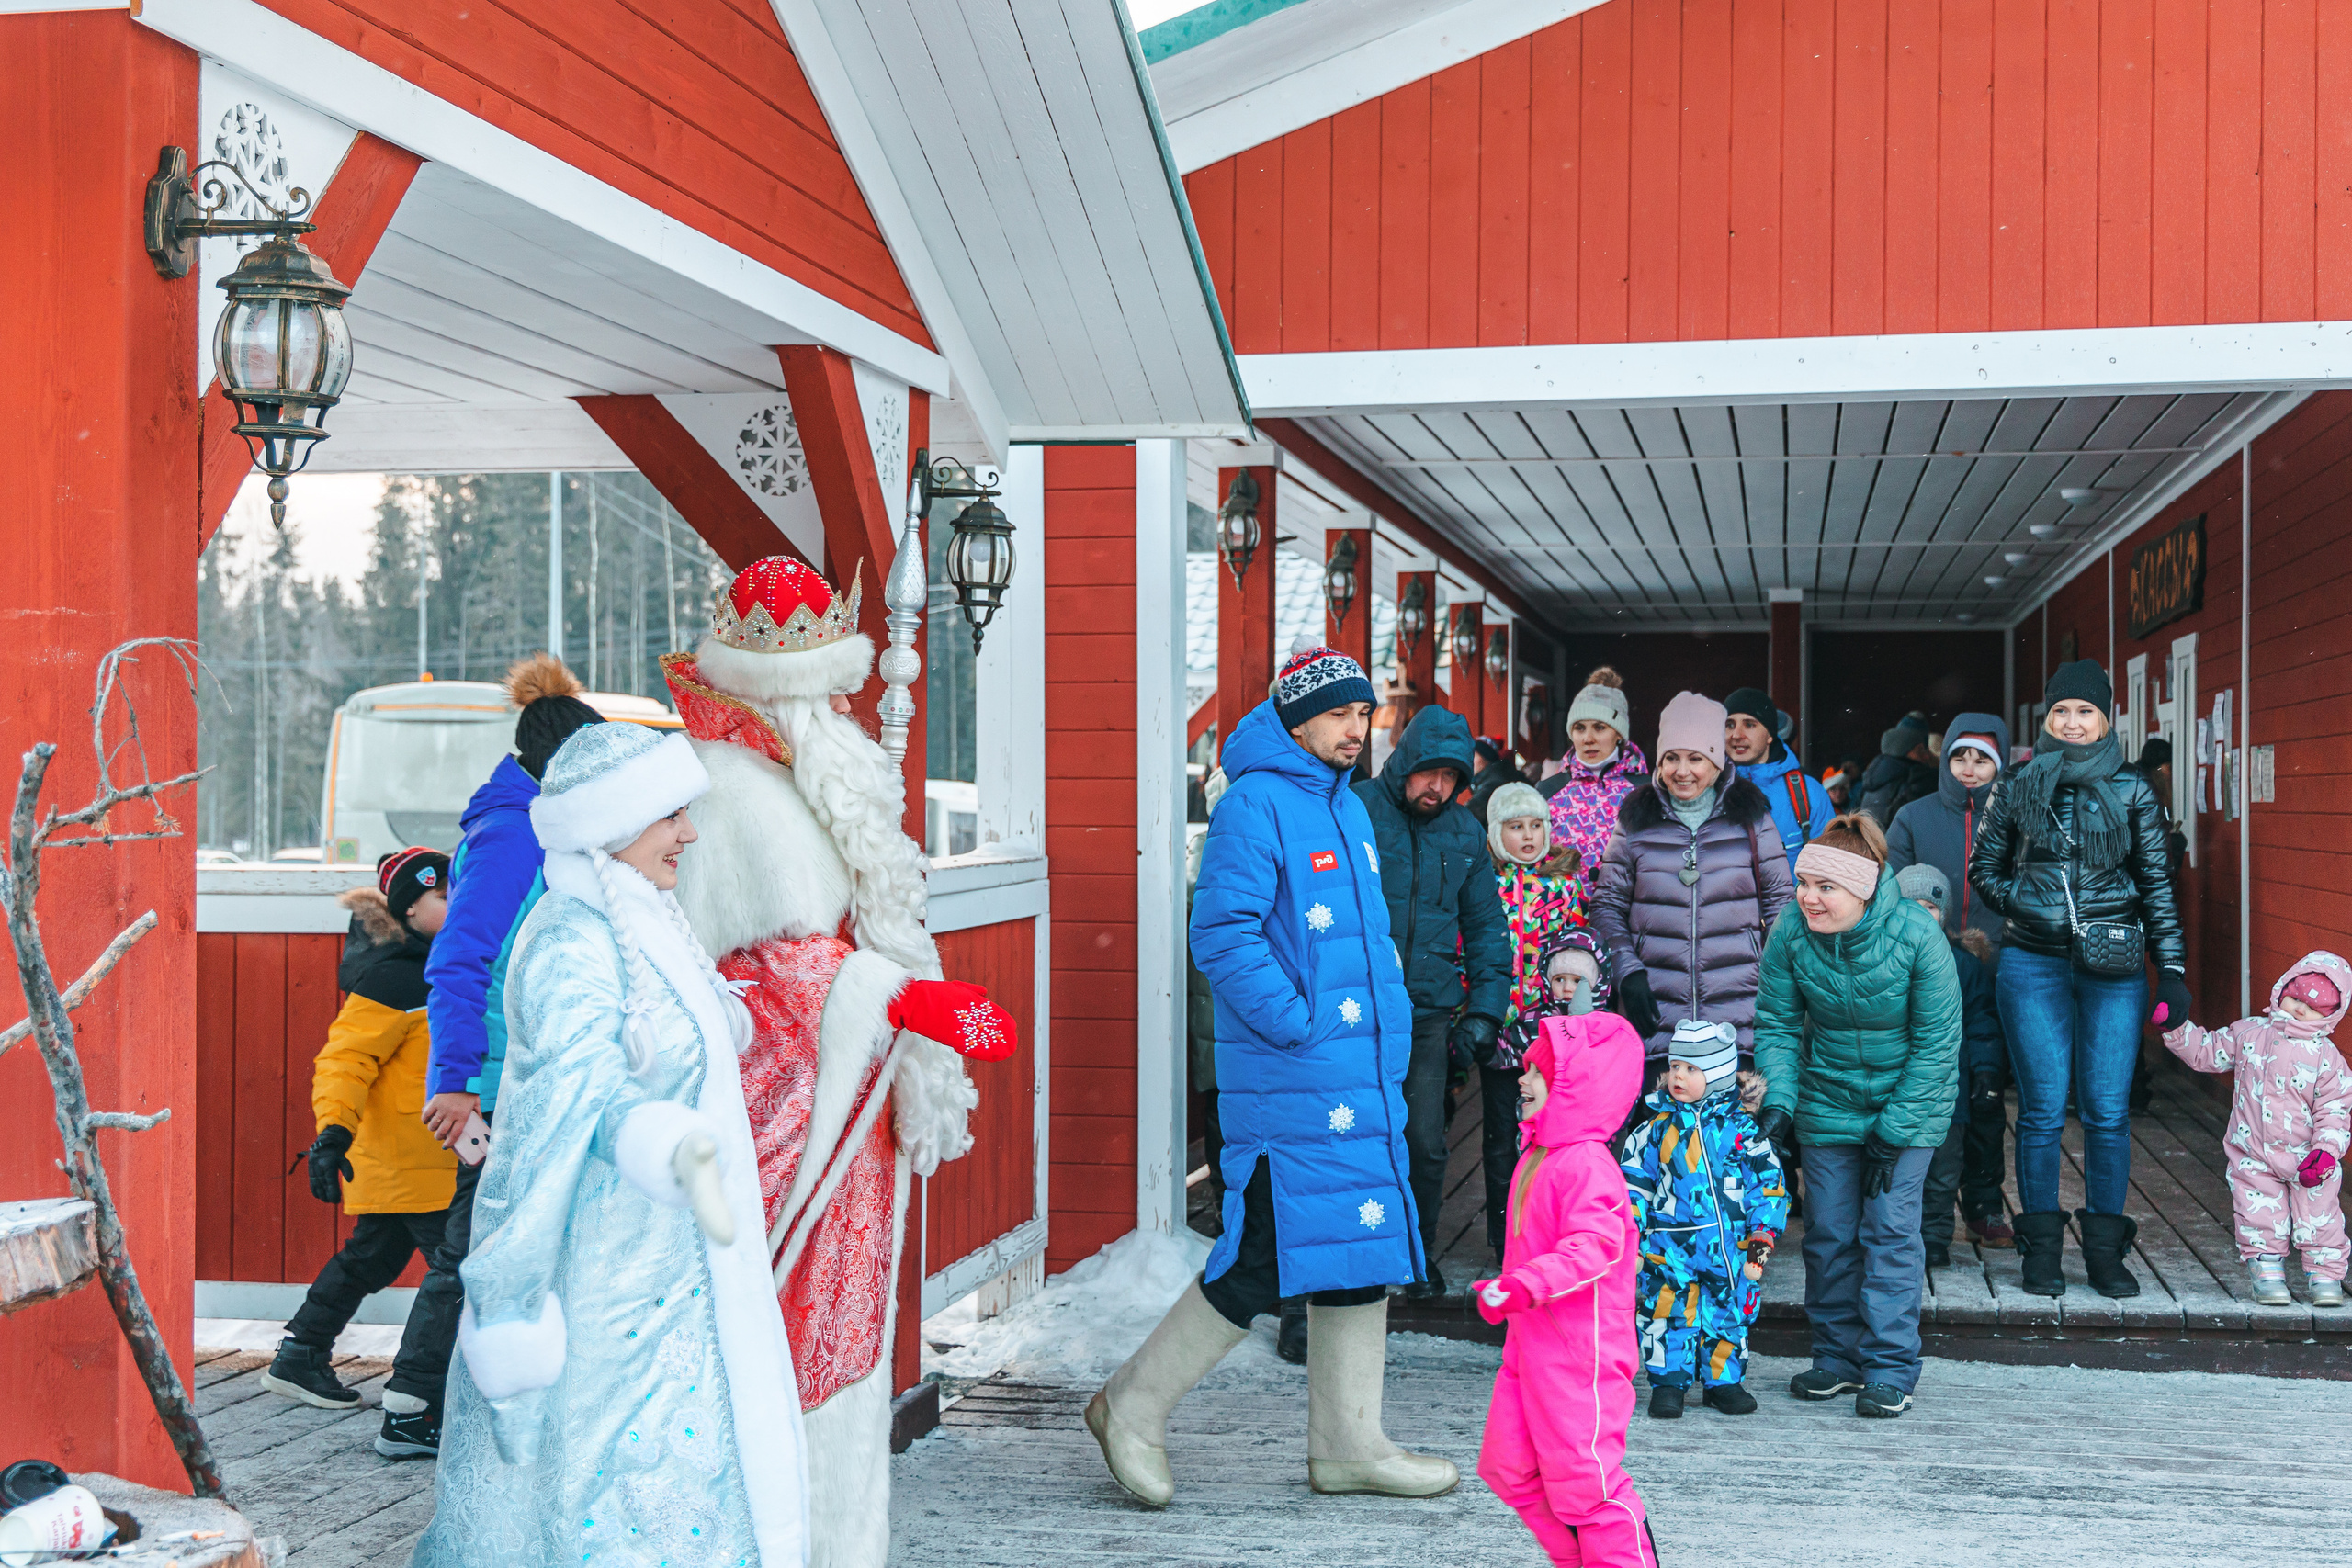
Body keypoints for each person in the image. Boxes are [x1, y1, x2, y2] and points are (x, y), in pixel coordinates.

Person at [661, 557, 1014, 1568]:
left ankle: (831, 1537)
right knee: (786, 1332)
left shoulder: (796, 776)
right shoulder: (723, 793)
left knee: (839, 1331)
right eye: (820, 694)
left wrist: (899, 999)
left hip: (845, 1116)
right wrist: (884, 996)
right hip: (783, 1130)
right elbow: (724, 982)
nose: (838, 713)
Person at [414, 723, 808, 1568]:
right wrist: (662, 1143)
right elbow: (572, 1102)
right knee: (613, 1501)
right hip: (610, 1294)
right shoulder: (571, 942)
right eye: (672, 815)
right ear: (615, 823)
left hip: (668, 1276)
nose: (689, 833)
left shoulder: (642, 917)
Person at [1090, 647, 1455, 1507]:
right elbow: (1222, 936)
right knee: (1260, 1252)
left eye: (1363, 715)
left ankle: (1349, 1445)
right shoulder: (1254, 803)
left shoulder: (1348, 806)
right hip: (1293, 1078)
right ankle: (1130, 1406)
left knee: (1359, 1248)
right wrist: (1298, 1022)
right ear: (1295, 720)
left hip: (1356, 1076)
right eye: (1337, 715)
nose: (1355, 731)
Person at [397, 653, 604, 1456]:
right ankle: (413, 1400)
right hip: (494, 1079)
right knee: (475, 1244)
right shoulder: (513, 834)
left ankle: (463, 1397)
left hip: (525, 1068)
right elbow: (459, 959)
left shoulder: (534, 823)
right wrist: (455, 1082)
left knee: (499, 1240)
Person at [1968, 660, 2186, 1299]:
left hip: (2114, 966)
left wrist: (2172, 969)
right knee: (2040, 1110)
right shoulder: (2018, 782)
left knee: (2108, 1112)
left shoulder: (2134, 787)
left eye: (2084, 711)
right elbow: (1985, 866)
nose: (2071, 722)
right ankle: (2041, 1251)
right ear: (2048, 717)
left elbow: (2156, 885)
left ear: (2106, 719)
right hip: (2032, 962)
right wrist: (2027, 903)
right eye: (2061, 711)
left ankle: (2103, 1253)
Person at [1751, 814, 1958, 1419]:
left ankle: (1890, 1367)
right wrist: (1779, 1101)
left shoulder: (1918, 936)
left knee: (1890, 1230)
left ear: (1864, 889)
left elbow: (1937, 1044)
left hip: (1909, 1101)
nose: (1808, 897)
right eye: (1804, 883)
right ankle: (1837, 1357)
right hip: (1829, 1097)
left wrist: (1895, 1131)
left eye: (1826, 887)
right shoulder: (1792, 931)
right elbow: (1777, 1023)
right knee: (1829, 1231)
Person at [264, 849, 458, 1428]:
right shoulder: (395, 976)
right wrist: (333, 1134)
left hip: (427, 1155)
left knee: (371, 1258)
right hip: (410, 1156)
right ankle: (419, 1394)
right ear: (408, 908)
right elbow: (345, 1061)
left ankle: (300, 1352)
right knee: (460, 1274)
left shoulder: (448, 965)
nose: (459, 902)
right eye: (444, 896)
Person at [1473, 1012, 1653, 1567]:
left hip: (1579, 1359)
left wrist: (1525, 1285)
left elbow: (1595, 1246)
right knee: (1508, 1467)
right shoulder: (1541, 1154)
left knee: (1587, 1486)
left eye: (1538, 1072)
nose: (1522, 1080)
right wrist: (1509, 1288)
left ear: (1576, 1086)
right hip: (1530, 1348)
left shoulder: (1588, 1164)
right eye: (1526, 1069)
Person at [1355, 702, 1511, 1298]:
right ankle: (1354, 1260)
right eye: (1429, 772)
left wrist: (1485, 1012)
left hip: (1426, 1014)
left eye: (1451, 776)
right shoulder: (1357, 811)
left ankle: (1415, 1253)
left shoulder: (1465, 832)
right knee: (1354, 1137)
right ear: (1405, 761)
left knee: (1424, 1141)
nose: (1438, 787)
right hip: (1355, 1012)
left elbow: (1487, 927)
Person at [1589, 691, 1793, 1068]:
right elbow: (1607, 905)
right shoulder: (1636, 820)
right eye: (1672, 758)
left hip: (1738, 1020)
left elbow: (1782, 904)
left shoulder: (1751, 817)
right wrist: (1626, 971)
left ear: (1717, 760)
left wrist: (1771, 978)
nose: (1682, 771)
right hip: (1656, 1018)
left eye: (1695, 758)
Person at [2161, 952, 2352, 1309]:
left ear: (2332, 1014)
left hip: (2310, 1159)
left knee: (2321, 1216)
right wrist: (2176, 1028)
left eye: (2313, 1008)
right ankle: (2267, 1274)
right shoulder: (2250, 1033)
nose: (2300, 1010)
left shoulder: (2327, 1059)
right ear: (2281, 991)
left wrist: (2326, 1152)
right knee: (2258, 1215)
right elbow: (2209, 1051)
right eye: (2295, 999)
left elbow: (2335, 1111)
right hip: (2254, 1153)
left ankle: (2326, 1276)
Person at [1620, 1020, 1789, 1419]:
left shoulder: (1742, 1132)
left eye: (1691, 1069)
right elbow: (1633, 1187)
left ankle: (1723, 1382)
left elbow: (1767, 1185)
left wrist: (1760, 1239)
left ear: (1717, 1076)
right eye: (1675, 1066)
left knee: (1728, 1312)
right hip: (1668, 1246)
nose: (1678, 1076)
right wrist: (1631, 1238)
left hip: (1728, 1247)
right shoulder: (1654, 1131)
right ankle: (1668, 1383)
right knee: (1667, 1311)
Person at [1482, 783, 1585, 1258]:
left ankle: (1547, 1230)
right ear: (1495, 834)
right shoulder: (1485, 884)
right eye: (1515, 827)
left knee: (1550, 1128)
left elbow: (1580, 953)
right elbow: (1468, 948)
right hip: (1500, 1028)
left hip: (1549, 1032)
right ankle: (1502, 1236)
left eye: (1535, 826)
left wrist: (1575, 1012)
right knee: (1500, 1134)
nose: (1527, 836)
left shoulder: (1564, 887)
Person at [1895, 864, 2010, 1263]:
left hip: (1951, 1090)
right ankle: (1898, 1235)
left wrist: (1986, 1070)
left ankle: (1934, 1239)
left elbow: (1982, 1022)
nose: (1921, 914)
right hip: (1895, 1087)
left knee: (1943, 1171)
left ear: (1943, 914)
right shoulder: (1884, 959)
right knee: (1898, 1168)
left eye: (1930, 907)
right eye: (1911, 905)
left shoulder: (1963, 965)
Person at [1886, 711, 2011, 949]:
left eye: (1981, 762)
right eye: (1960, 760)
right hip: (1926, 950)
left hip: (2002, 952)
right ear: (1946, 761)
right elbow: (1888, 889)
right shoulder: (1912, 817)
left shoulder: (2018, 818)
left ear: (1998, 767)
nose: (1968, 771)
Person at [1537, 667, 1648, 898]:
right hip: (1564, 912)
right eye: (1580, 728)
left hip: (1626, 913)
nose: (1588, 739)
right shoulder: (1549, 790)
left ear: (1619, 734)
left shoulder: (1645, 791)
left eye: (1599, 727)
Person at [1724, 686, 1832, 879]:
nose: (1737, 734)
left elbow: (1830, 872)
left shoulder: (1808, 793)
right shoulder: (1708, 788)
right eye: (1730, 724)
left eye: (1749, 725)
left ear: (1770, 735)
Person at [1857, 712, 1937, 827]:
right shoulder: (1919, 779)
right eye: (1920, 750)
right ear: (1904, 749)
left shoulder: (1871, 783)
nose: (1926, 756)